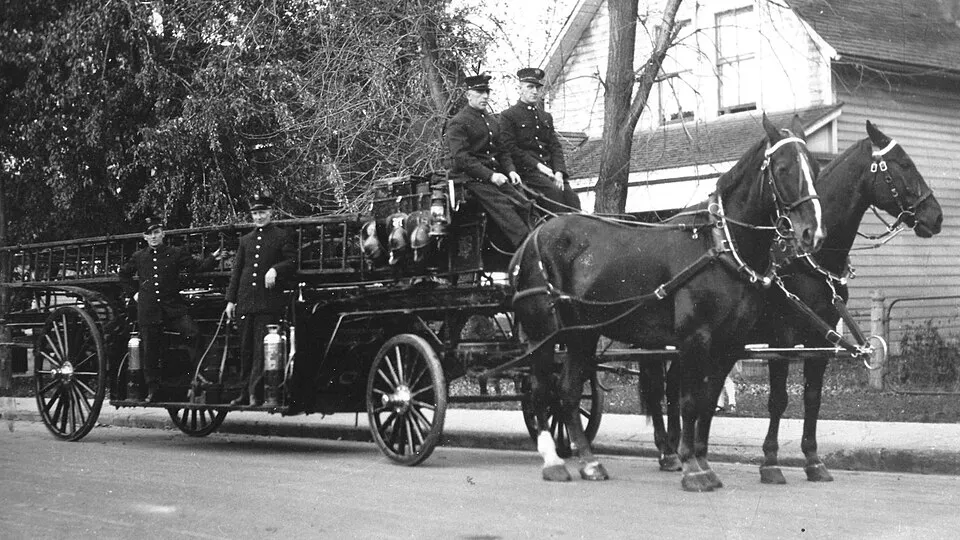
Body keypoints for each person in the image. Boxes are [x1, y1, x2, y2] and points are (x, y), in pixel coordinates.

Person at [118, 217, 223, 402]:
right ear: (144, 237)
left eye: (157, 232)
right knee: (150, 348)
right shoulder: (139, 256)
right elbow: (123, 273)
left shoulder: (176, 253)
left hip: (173, 308)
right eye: (149, 233)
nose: (153, 236)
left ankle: (197, 375)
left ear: (163, 234)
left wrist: (213, 258)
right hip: (149, 310)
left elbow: (196, 267)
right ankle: (153, 389)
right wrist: (134, 294)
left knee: (193, 333)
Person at [445, 73, 532, 251]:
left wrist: (511, 170)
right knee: (506, 209)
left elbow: (502, 151)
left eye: (486, 92)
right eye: (479, 92)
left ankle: (531, 245)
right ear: (468, 95)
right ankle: (526, 250)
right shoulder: (458, 123)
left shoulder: (491, 121)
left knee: (525, 204)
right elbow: (462, 158)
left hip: (494, 176)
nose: (485, 96)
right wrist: (491, 176)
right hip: (470, 180)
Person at [225, 192, 297, 407]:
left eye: (262, 212)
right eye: (255, 213)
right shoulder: (245, 240)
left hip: (267, 302)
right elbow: (237, 272)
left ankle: (255, 393)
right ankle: (243, 393)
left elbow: (292, 261)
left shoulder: (281, 236)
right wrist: (231, 300)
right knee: (245, 349)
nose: (259, 217)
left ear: (270, 213)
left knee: (260, 348)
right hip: (246, 301)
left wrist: (275, 269)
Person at [499, 67, 581, 214]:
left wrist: (559, 172)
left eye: (537, 87)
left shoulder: (545, 117)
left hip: (551, 172)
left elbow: (555, 146)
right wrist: (538, 166)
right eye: (530, 87)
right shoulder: (508, 116)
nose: (535, 91)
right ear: (519, 89)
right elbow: (510, 148)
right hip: (528, 172)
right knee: (555, 198)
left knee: (572, 199)